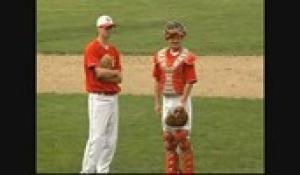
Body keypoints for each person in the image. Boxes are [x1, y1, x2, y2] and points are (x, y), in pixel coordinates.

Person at [152, 21, 198, 174]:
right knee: (169, 140)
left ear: (182, 37)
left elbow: (190, 82)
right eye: (171, 37)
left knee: (182, 138)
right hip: (166, 100)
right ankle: (172, 171)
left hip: (180, 100)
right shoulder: (159, 56)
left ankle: (188, 171)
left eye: (177, 36)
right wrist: (157, 103)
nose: (175, 40)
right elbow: (158, 81)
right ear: (167, 38)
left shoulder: (187, 57)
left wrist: (183, 102)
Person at [80, 15, 122, 174]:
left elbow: (120, 77)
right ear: (98, 28)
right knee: (96, 138)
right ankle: (87, 171)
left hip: (113, 98)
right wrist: (111, 73)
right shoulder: (92, 48)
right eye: (105, 27)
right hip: (98, 99)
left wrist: (109, 73)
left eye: (110, 27)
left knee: (111, 140)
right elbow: (98, 74)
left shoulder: (113, 50)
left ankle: (103, 171)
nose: (108, 30)